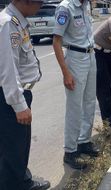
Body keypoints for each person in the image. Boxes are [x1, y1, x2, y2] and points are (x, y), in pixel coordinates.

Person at [0, 0, 51, 189]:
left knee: (19, 147)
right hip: (10, 99)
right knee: (12, 150)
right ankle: (14, 184)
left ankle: (22, 181)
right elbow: (8, 70)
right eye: (39, 2)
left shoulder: (17, 21)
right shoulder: (8, 24)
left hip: (19, 95)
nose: (41, 6)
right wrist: (19, 105)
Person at [53, 0, 99, 169]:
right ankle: (70, 151)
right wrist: (66, 73)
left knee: (89, 102)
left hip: (90, 55)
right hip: (75, 58)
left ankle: (84, 141)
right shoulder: (65, 8)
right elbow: (56, 41)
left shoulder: (86, 5)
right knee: (74, 107)